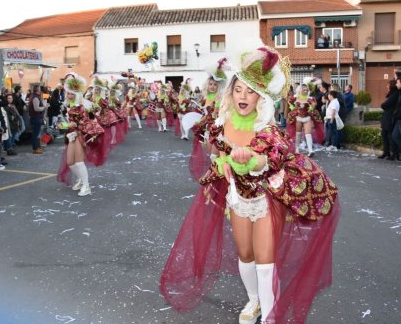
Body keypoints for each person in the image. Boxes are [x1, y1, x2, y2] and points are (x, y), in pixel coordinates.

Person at [160, 47, 340, 324]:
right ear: (230, 93)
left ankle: (269, 315)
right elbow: (217, 156)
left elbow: (270, 158)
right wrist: (225, 163)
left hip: (266, 199)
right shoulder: (221, 124)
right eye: (238, 90)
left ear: (261, 98)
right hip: (237, 199)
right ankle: (254, 300)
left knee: (265, 260)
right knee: (246, 254)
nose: (243, 96)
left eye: (250, 91)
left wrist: (249, 160)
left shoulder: (268, 130)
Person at [56, 74, 104, 196]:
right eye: (68, 93)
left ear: (77, 94)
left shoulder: (80, 106)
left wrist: (64, 126)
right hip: (72, 134)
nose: (69, 95)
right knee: (70, 162)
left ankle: (86, 186)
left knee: (78, 162)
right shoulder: (70, 104)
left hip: (80, 134)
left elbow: (78, 123)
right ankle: (81, 180)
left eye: (72, 93)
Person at [286, 79, 324, 156]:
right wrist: (292, 107)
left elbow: (313, 105)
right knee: (298, 133)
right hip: (298, 117)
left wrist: (312, 107)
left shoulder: (309, 98)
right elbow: (288, 100)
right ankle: (297, 149)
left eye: (307, 90)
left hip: (307, 118)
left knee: (308, 134)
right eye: (304, 90)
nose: (306, 91)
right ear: (300, 90)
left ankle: (310, 150)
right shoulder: (295, 97)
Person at [379, 80, 399, 160]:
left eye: (388, 85)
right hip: (386, 117)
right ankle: (386, 152)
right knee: (384, 135)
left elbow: (384, 104)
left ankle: (394, 154)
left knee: (391, 136)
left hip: (390, 118)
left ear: (392, 86)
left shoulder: (395, 94)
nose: (387, 86)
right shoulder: (392, 94)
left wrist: (383, 105)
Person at [28, 85, 48, 154]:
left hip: (37, 117)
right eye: (40, 89)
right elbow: (36, 109)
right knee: (35, 134)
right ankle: (35, 148)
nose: (41, 90)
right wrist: (44, 107)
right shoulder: (35, 98)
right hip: (36, 118)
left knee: (37, 134)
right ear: (37, 90)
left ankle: (37, 147)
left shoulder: (35, 97)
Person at [391, 78, 401, 159]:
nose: (396, 84)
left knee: (395, 136)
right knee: (395, 136)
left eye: (397, 82)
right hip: (398, 119)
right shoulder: (399, 93)